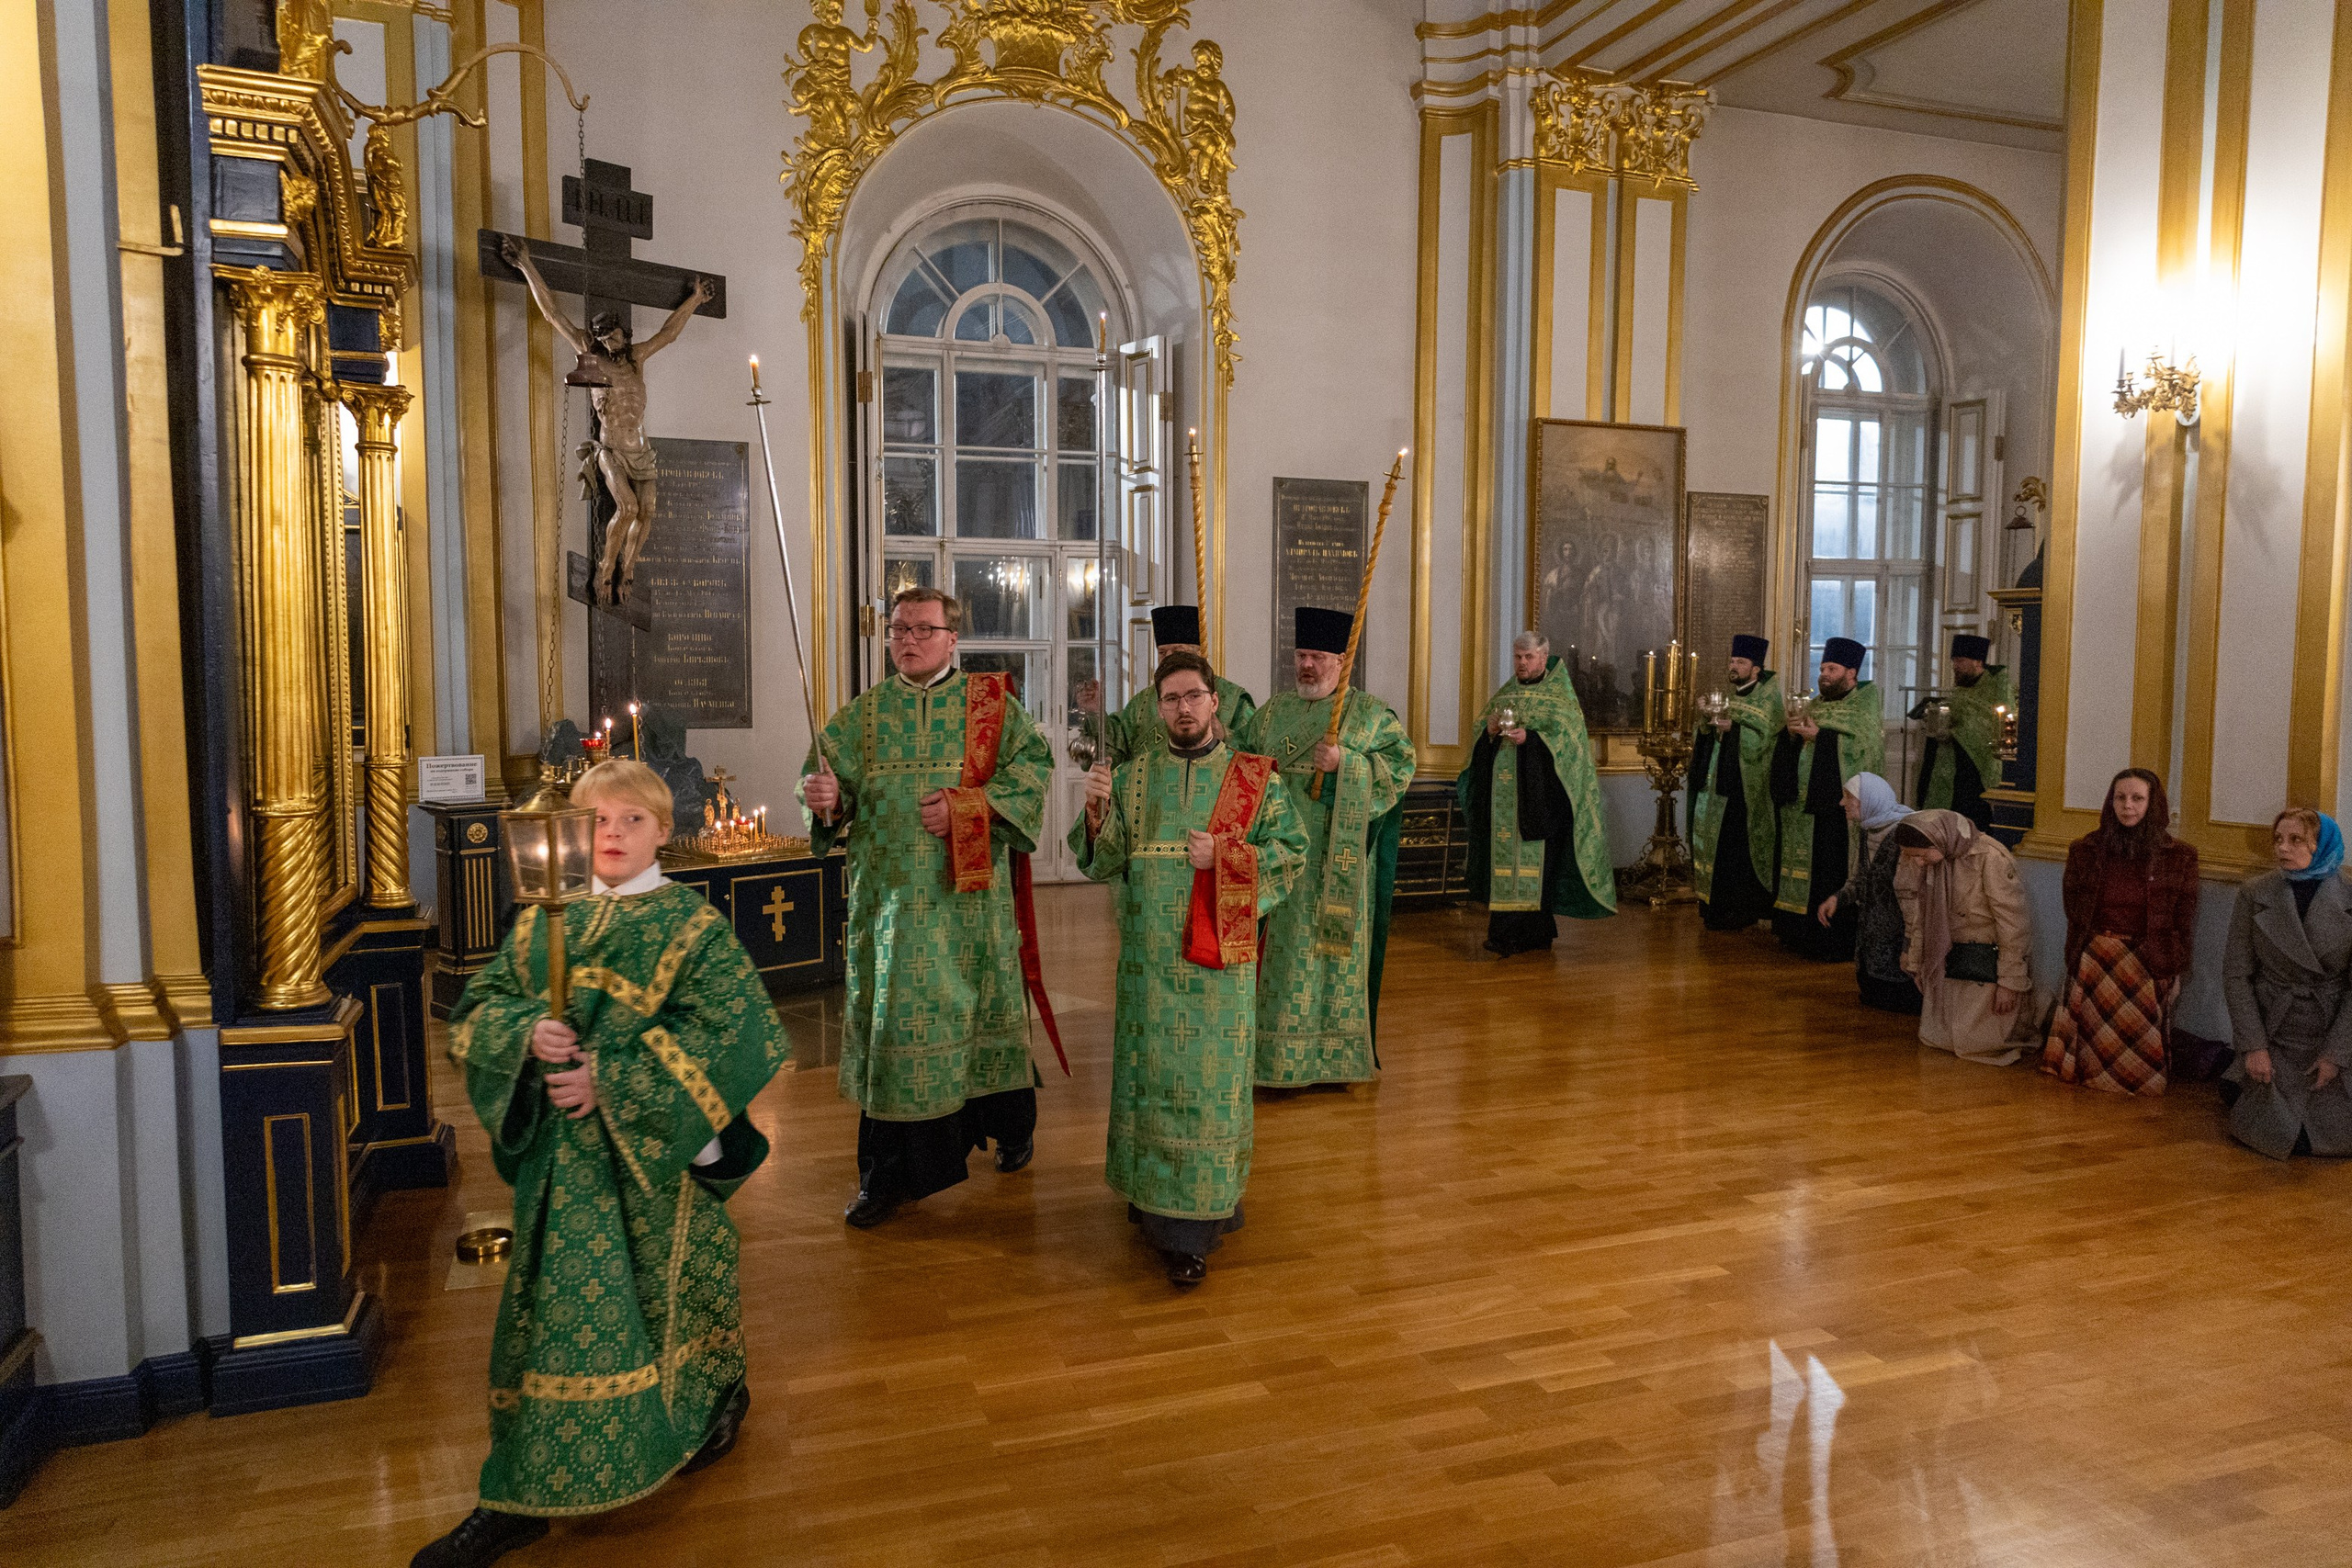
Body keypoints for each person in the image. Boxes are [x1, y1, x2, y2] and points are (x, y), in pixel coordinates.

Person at [421, 761, 786, 1567]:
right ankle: (516, 1491)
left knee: (667, 1303)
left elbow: (738, 1030)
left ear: (665, 831)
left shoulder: (693, 927)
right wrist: (527, 1032)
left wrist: (612, 1081)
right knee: (557, 1317)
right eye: (598, 820)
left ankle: (711, 1401)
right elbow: (475, 1013)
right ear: (573, 833)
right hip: (563, 1172)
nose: (614, 833)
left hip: (656, 1165)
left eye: (633, 819)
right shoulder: (543, 922)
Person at [802, 586, 1056, 1228]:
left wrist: (970, 808)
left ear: (953, 638)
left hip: (968, 909)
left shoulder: (990, 708)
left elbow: (1032, 770)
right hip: (890, 912)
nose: (908, 640)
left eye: (923, 629)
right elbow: (827, 791)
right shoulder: (861, 715)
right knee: (898, 1039)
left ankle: (1012, 1128)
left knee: (986, 1021)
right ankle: (887, 1178)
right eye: (898, 629)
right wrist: (824, 798)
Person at [1072, 651, 1307, 1284]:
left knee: (1208, 1092)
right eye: (1171, 698)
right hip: (1148, 968)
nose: (1184, 708)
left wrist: (1228, 856)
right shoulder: (1131, 777)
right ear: (1158, 708)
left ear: (1214, 701)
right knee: (1151, 1085)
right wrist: (1095, 816)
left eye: (1194, 695)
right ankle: (1150, 1202)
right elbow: (1103, 862)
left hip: (1217, 973)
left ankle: (1196, 1227)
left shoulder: (1253, 779)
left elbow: (1291, 854)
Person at [1235, 605, 1415, 1088]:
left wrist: (1346, 764)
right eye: (1300, 655)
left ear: (1341, 661)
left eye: (1316, 657)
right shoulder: (1273, 712)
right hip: (1278, 856)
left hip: (1335, 860)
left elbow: (1401, 768)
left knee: (1330, 955)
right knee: (1280, 957)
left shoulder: (1371, 715)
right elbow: (1239, 760)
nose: (1306, 665)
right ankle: (1273, 1059)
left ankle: (1333, 1060)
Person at [2040, 769, 2200, 1095]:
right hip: (2097, 956)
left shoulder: (2179, 856)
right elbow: (2074, 908)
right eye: (2120, 798)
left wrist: (2176, 968)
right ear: (2110, 802)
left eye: (2137, 798)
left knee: (2139, 1058)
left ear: (2153, 804)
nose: (2128, 806)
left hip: (2147, 958)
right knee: (2091, 1044)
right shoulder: (2085, 850)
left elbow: (2183, 920)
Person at [1458, 630, 1616, 955]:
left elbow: (1569, 746)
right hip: (1504, 804)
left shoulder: (1559, 699)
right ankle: (1504, 934)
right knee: (1504, 867)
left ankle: (1534, 934)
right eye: (1518, 657)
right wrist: (1489, 732)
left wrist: (1531, 739)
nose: (1522, 663)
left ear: (1543, 658)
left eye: (1529, 657)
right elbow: (1481, 741)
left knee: (1537, 870)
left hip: (1541, 802)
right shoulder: (1506, 695)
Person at [2222, 808, 2352, 1158]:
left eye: (2296, 840)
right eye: (2278, 839)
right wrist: (2254, 1046)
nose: (2283, 848)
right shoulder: (2255, 893)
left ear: (2322, 845)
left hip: (2330, 1031)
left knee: (2325, 1135)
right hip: (2275, 1031)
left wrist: (2336, 1055)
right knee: (2273, 1130)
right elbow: (2236, 975)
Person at [1772, 636, 1885, 960]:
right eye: (1822, 668)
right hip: (1803, 805)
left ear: (1851, 673)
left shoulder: (1863, 707)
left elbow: (1864, 750)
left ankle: (1829, 940)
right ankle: (1797, 932)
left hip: (1835, 810)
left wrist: (1822, 738)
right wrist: (1791, 735)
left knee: (1829, 867)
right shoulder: (1815, 705)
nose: (1823, 675)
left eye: (1831, 669)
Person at [1893, 808, 2034, 1066]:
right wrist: (1917, 962)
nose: (1918, 863)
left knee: (1980, 1044)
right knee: (1939, 1041)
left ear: (1940, 840)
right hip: (1947, 964)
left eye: (1922, 856)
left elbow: (2013, 925)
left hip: (1984, 964)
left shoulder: (1989, 857)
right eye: (1912, 857)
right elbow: (1919, 917)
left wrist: (2010, 982)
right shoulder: (1927, 860)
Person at [1688, 634, 1783, 932]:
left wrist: (1736, 729)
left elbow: (1768, 740)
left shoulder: (1769, 699)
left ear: (1756, 669)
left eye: (1740, 662)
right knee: (1717, 848)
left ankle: (1740, 911)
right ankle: (1715, 908)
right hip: (1718, 785)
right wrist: (1706, 720)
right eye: (1732, 661)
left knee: (1736, 849)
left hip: (1745, 789)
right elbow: (1711, 735)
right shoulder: (1729, 697)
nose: (1733, 666)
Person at [1099, 604, 1254, 765]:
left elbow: (1254, 752)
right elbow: (1117, 746)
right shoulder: (1142, 702)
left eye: (1178, 651)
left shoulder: (1234, 698)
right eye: (1162, 652)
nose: (1168, 657)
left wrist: (1224, 735)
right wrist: (1095, 711)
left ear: (1198, 653)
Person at [1816, 773, 1920, 1013]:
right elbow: (1862, 878)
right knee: (1872, 993)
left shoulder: (1903, 833)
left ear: (1869, 800)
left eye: (1849, 797)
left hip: (1899, 933)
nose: (1842, 803)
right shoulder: (1866, 830)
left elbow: (1913, 896)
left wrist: (1909, 946)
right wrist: (1837, 898)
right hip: (1872, 933)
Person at [1912, 633, 2013, 829]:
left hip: (1975, 771)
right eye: (1953, 661)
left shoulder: (1997, 686)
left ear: (1978, 662)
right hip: (1950, 766)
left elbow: (1995, 722)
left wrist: (1956, 731)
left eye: (1960, 661)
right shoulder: (1961, 690)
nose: (1955, 666)